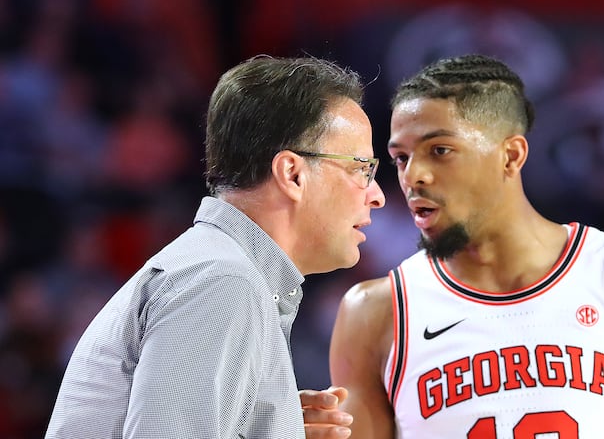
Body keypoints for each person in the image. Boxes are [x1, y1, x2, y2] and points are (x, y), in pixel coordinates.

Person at [329, 54, 604, 438]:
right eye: (401, 158)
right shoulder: (375, 313)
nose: (414, 176)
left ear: (511, 155)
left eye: (439, 151)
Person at [46, 55, 386, 439]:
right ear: (293, 174)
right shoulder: (223, 282)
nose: (376, 195)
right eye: (361, 168)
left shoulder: (220, 271)